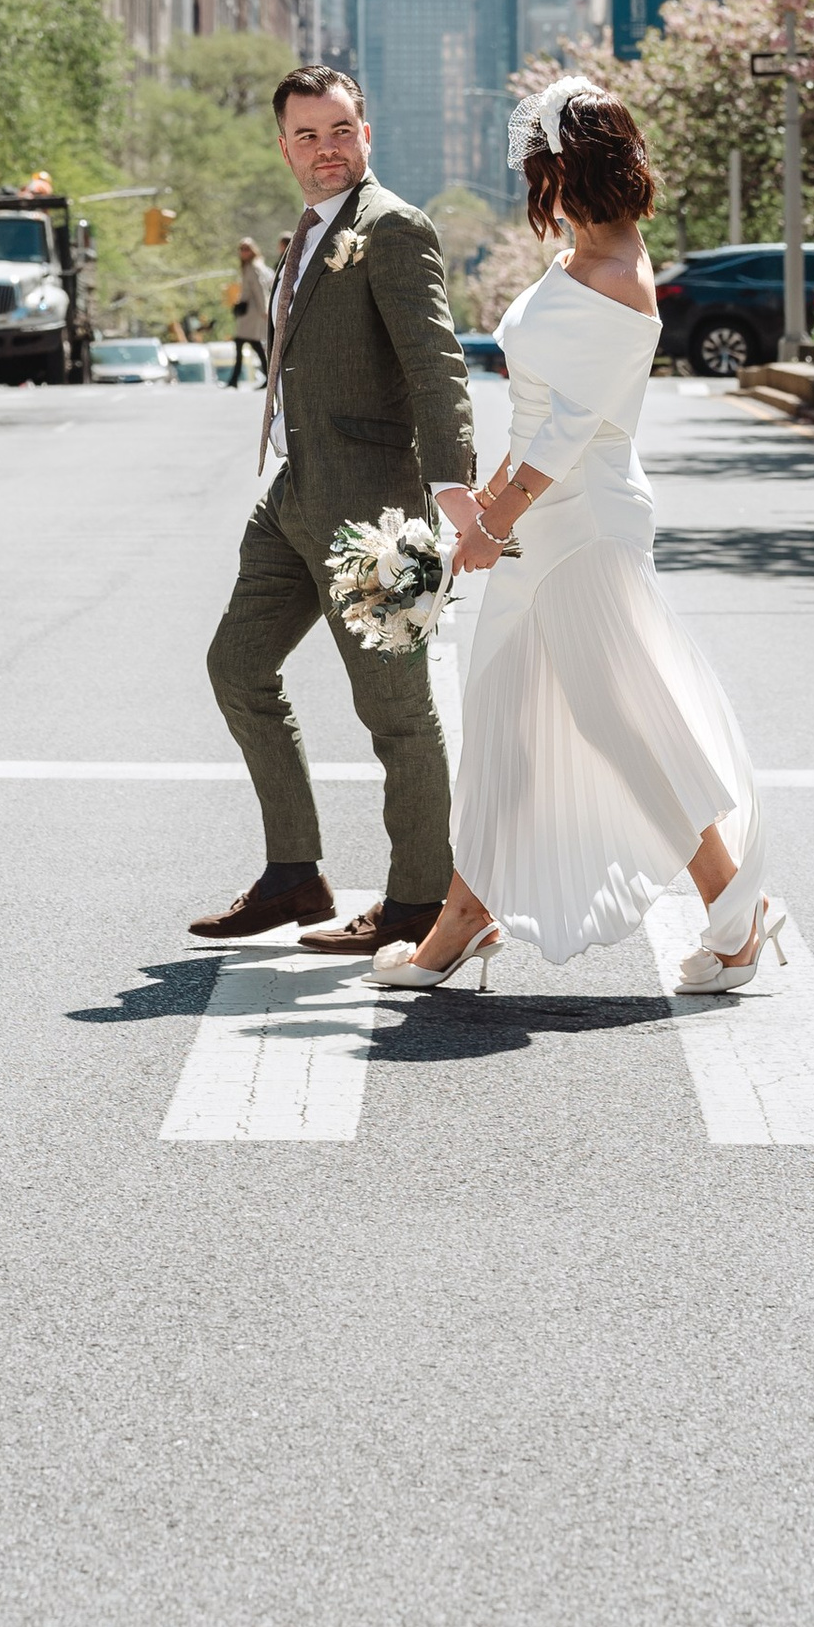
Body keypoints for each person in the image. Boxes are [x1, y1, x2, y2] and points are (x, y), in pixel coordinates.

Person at [373, 75, 783, 999]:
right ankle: (465, 917)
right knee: (506, 723)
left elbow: (569, 433)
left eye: (540, 169)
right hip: (544, 515)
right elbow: (543, 409)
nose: (535, 189)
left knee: (618, 720)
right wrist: (484, 500)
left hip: (583, 521)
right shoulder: (584, 254)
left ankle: (733, 909)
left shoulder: (618, 275)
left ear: (573, 168)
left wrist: (495, 523)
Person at [191, 66, 477, 959]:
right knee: (237, 667)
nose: (326, 150)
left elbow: (437, 363)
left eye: (341, 130)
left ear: (368, 131)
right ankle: (295, 874)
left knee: (396, 711)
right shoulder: (310, 234)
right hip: (294, 492)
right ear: (284, 146)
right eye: (308, 135)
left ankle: (420, 902)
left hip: (374, 510)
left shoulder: (391, 229)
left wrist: (454, 491)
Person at [225, 236, 272, 389]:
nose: (243, 252)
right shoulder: (249, 267)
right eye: (241, 249)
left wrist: (264, 309)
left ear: (252, 251)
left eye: (246, 249)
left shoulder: (253, 267)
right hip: (248, 312)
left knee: (246, 342)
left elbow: (260, 290)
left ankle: (235, 380)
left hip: (252, 312)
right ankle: (236, 380)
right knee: (252, 344)